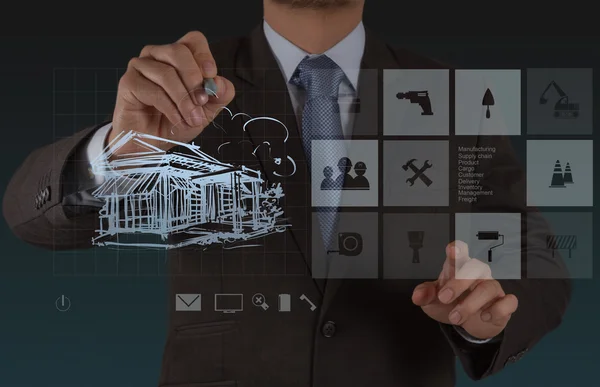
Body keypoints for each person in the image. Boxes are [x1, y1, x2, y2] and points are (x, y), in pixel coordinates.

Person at [2, 1, 571, 386]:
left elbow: (533, 250)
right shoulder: (176, 88)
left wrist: (485, 310)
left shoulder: (447, 93)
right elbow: (29, 215)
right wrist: (121, 150)